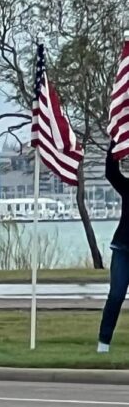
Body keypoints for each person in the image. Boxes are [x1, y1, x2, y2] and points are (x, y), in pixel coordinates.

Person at [98, 141, 129, 353]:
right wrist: (115, 140)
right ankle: (103, 343)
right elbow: (111, 172)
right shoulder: (128, 187)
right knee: (116, 295)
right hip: (123, 249)